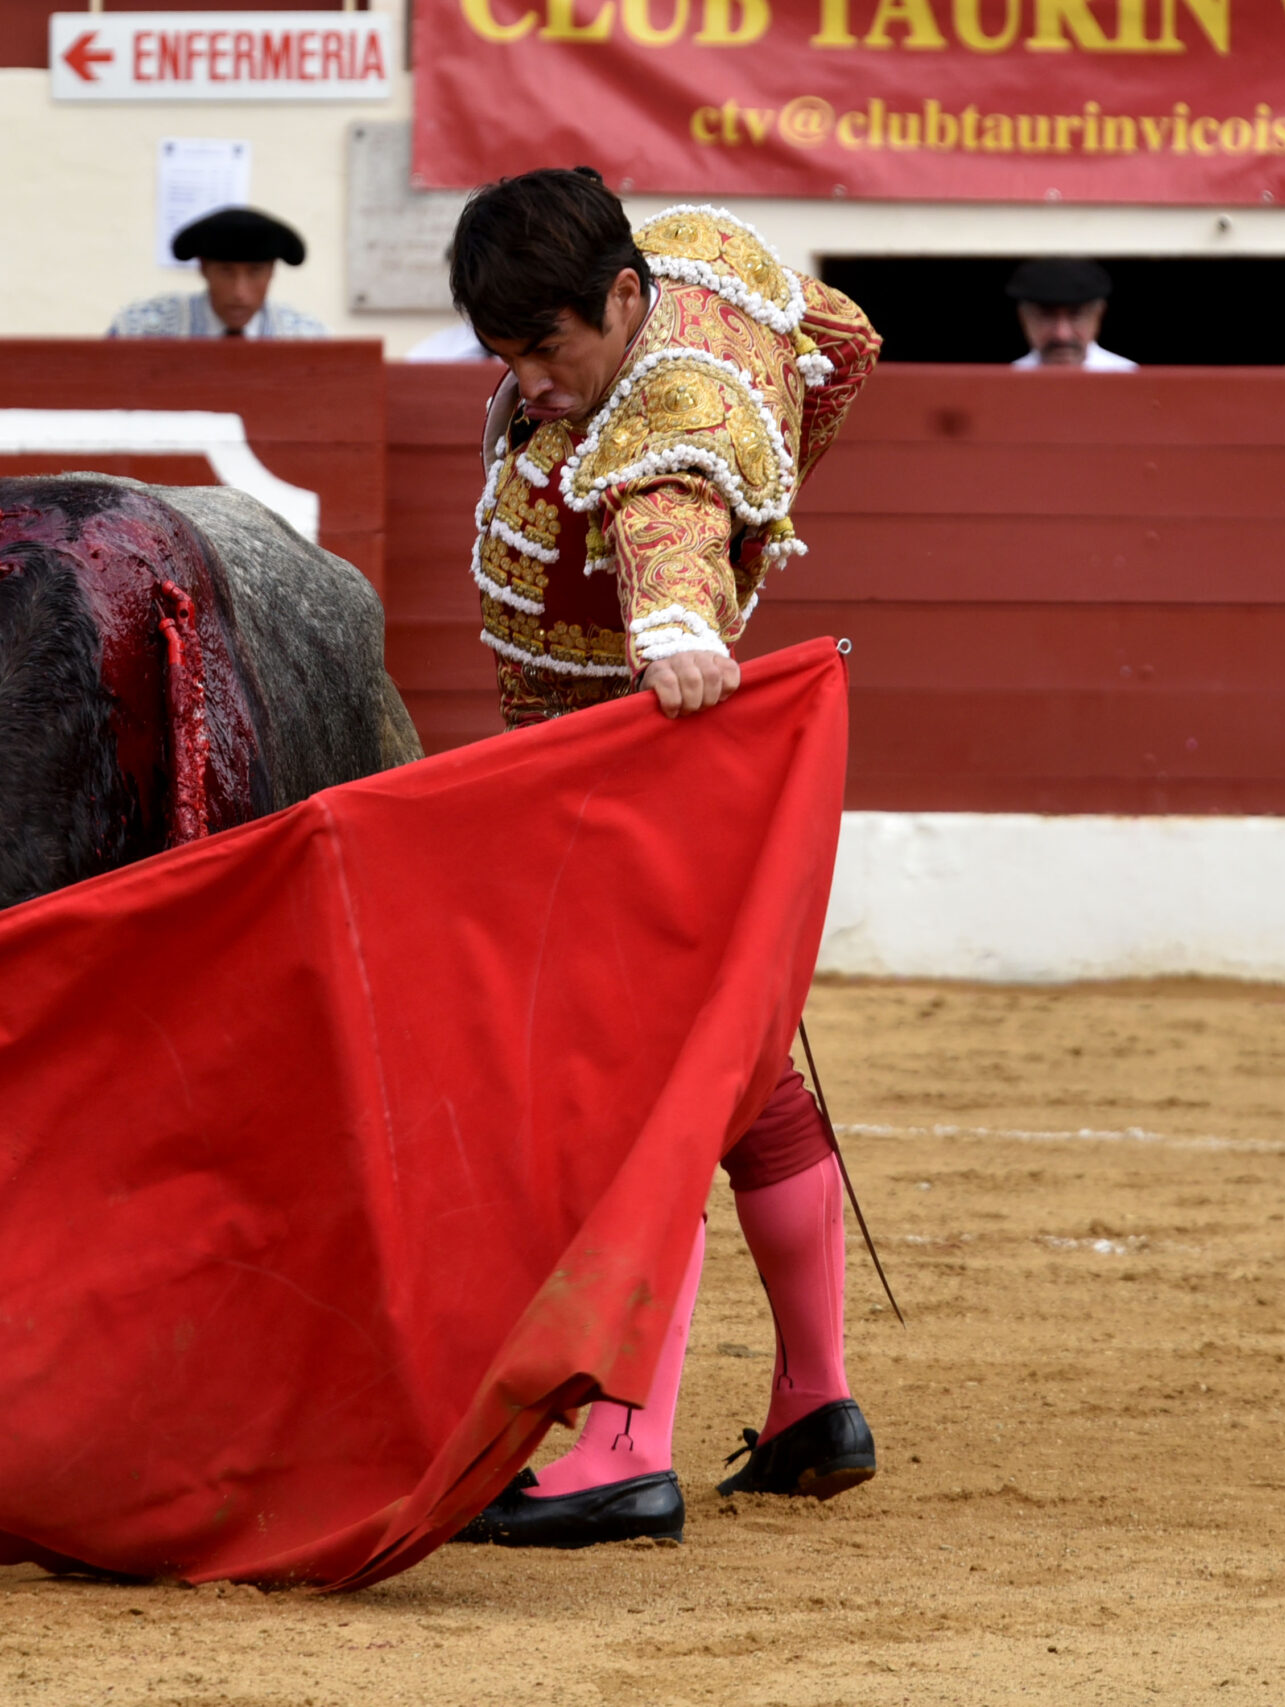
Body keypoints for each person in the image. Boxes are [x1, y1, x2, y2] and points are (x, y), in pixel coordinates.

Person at [442, 169, 882, 1549]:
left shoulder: (669, 424)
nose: (531, 382)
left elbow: (673, 518)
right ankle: (817, 1400)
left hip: (625, 773)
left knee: (645, 1100)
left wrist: (688, 623)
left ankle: (624, 1443)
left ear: (623, 301)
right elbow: (845, 339)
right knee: (743, 1084)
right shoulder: (692, 256)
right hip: (650, 769)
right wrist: (783, 481)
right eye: (505, 354)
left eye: (547, 349)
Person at [107, 206, 327, 340]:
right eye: (225, 272)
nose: (239, 292)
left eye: (255, 272)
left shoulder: (308, 338)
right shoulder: (140, 331)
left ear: (271, 272)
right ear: (203, 269)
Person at [1008, 257, 1134, 370]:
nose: (1062, 335)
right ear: (1024, 317)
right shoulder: (1005, 385)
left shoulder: (1130, 379)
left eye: (1076, 316)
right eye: (1046, 316)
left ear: (1098, 314)